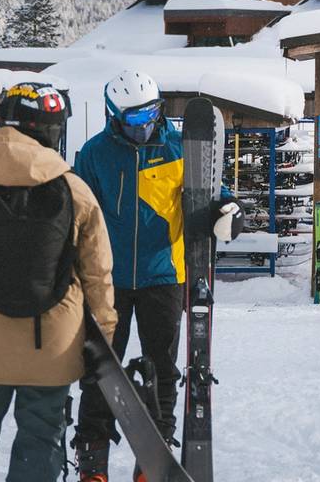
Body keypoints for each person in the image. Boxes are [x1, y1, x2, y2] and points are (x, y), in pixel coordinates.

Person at [0, 82, 118, 482]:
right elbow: (98, 276)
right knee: (41, 439)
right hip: (55, 347)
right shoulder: (75, 189)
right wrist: (105, 346)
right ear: (51, 130)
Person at [73, 71, 243, 482]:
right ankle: (93, 460)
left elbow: (212, 192)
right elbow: (76, 208)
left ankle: (156, 458)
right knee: (100, 368)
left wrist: (229, 214)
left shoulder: (176, 148)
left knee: (162, 368)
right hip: (107, 279)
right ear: (114, 116)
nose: (144, 125)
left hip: (164, 276)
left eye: (151, 113)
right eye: (134, 118)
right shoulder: (94, 154)